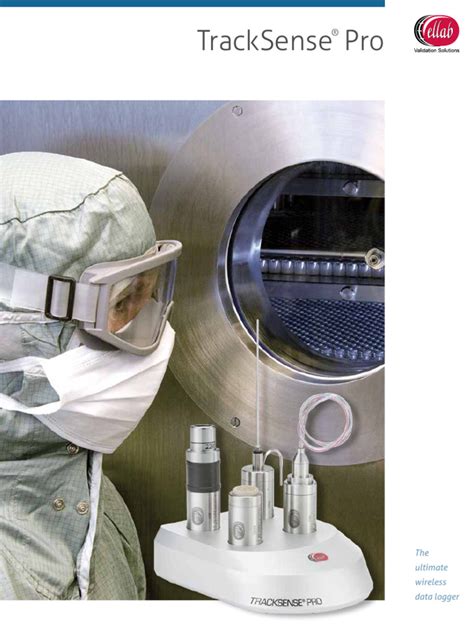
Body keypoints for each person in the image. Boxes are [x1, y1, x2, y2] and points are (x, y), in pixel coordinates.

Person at [0, 152, 181, 599]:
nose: (147, 331)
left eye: (147, 293)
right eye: (121, 303)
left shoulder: (89, 492)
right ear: (14, 329)